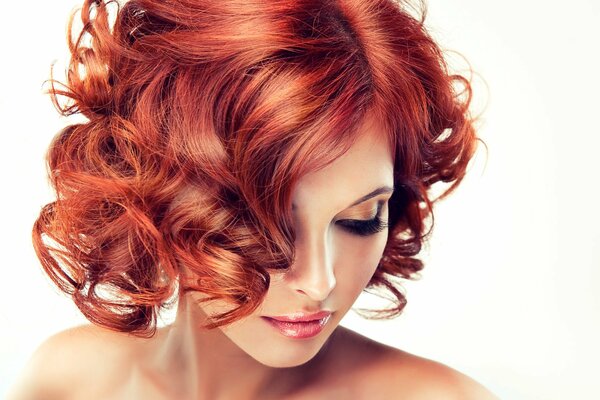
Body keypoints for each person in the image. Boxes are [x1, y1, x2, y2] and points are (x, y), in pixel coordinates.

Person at [9, 0, 498, 398]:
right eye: (262, 219)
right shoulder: (66, 382)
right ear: (147, 187)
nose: (319, 281)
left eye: (361, 218)